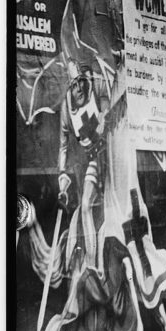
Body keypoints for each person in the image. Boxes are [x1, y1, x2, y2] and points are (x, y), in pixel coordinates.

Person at [57, 59, 110, 269]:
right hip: (93, 157)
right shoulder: (66, 108)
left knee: (110, 208)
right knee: (86, 205)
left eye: (80, 82)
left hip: (111, 151)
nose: (79, 88)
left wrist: (104, 118)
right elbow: (63, 145)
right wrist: (62, 177)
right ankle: (92, 265)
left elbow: (107, 99)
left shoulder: (95, 83)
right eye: (74, 85)